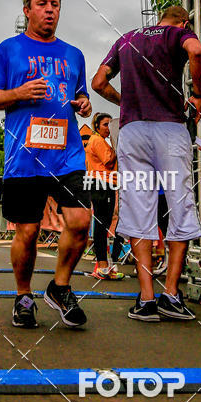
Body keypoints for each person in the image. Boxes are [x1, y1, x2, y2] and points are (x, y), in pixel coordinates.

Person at [0, 0, 92, 329]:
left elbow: (79, 96)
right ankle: (24, 296)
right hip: (24, 157)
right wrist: (18, 92)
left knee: (80, 221)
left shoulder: (74, 55)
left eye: (55, 5)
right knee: (27, 232)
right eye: (42, 4)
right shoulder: (8, 50)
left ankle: (60, 287)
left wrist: (85, 104)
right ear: (27, 10)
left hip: (67, 154)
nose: (49, 10)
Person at [92, 5, 201, 322]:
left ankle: (146, 299)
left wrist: (124, 101)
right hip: (169, 128)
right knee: (180, 206)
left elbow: (98, 81)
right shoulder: (178, 33)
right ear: (184, 21)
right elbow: (196, 51)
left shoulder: (127, 39)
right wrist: (198, 93)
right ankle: (171, 294)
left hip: (133, 130)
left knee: (138, 209)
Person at [85, 112, 122, 280]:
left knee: (104, 225)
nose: (108, 128)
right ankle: (102, 266)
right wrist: (117, 148)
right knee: (102, 225)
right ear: (97, 126)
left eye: (110, 124)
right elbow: (108, 160)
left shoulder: (100, 140)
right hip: (101, 184)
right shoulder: (97, 140)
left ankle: (103, 264)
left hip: (105, 184)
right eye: (106, 124)